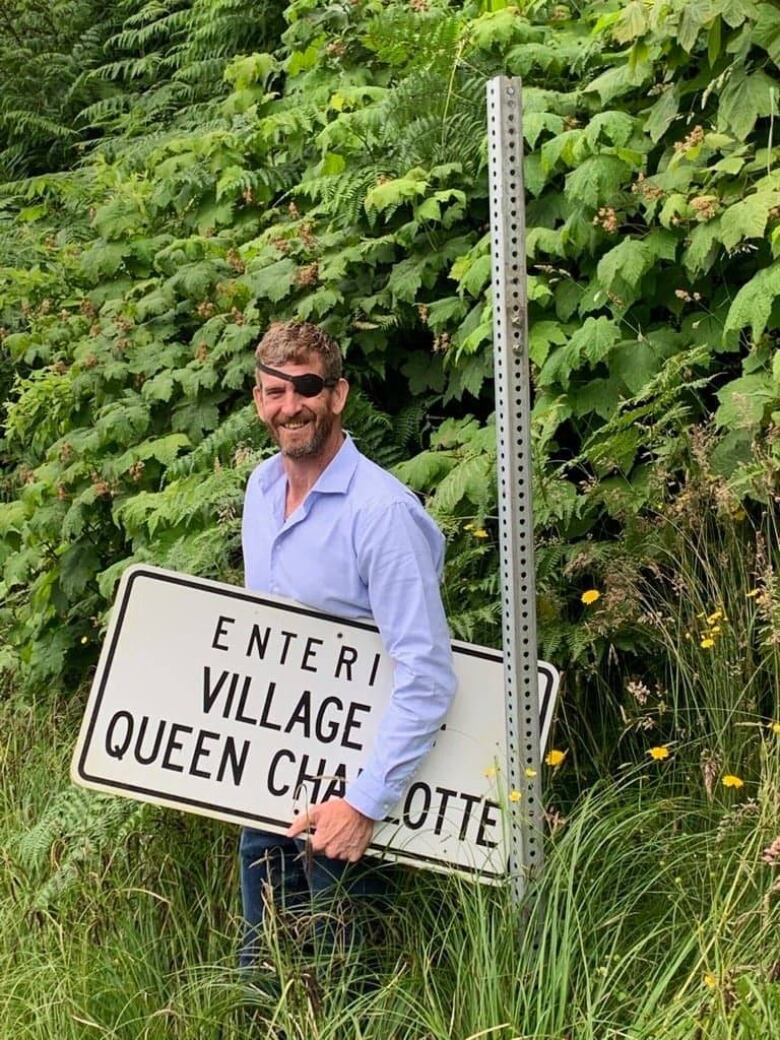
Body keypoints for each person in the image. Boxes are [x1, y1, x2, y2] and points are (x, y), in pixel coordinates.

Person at [239, 320, 457, 966]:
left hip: (348, 804)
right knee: (265, 971)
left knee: (341, 990)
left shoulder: (381, 515)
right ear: (258, 401)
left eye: (306, 387)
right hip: (267, 790)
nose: (290, 407)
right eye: (274, 392)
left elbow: (428, 676)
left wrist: (363, 805)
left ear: (338, 396)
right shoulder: (259, 490)